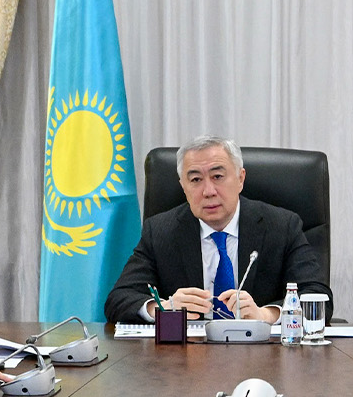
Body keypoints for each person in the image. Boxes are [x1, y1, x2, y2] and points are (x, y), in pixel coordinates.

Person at [104, 137, 329, 324]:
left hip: (261, 354)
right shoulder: (161, 231)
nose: (208, 191)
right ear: (183, 186)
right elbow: (118, 300)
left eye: (218, 177)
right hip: (187, 356)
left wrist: (266, 315)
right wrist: (164, 308)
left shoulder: (281, 226)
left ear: (240, 179)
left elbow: (317, 296)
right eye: (195, 179)